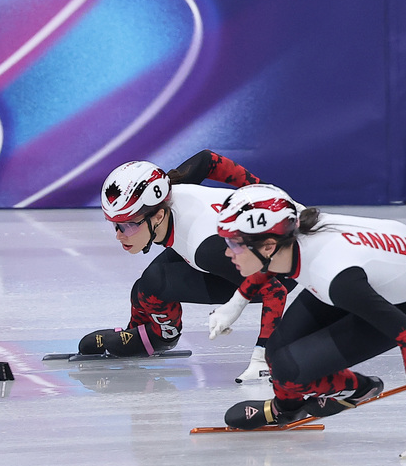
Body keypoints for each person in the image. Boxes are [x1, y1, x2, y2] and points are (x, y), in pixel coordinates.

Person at [213, 184, 406, 461]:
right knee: (275, 350)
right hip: (374, 266)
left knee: (289, 368)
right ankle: (286, 409)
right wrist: (235, 304)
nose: (227, 253)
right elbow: (266, 262)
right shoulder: (290, 232)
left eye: (233, 244)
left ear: (269, 245)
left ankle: (360, 387)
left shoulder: (333, 276)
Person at [83, 151, 283, 382]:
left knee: (155, 282)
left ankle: (161, 337)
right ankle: (137, 333)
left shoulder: (205, 248)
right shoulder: (168, 189)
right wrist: (264, 191)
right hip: (251, 242)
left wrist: (263, 357)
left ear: (157, 216)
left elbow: (275, 290)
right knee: (143, 288)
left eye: (127, 226)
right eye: (114, 225)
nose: (119, 236)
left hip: (277, 271)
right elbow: (207, 160)